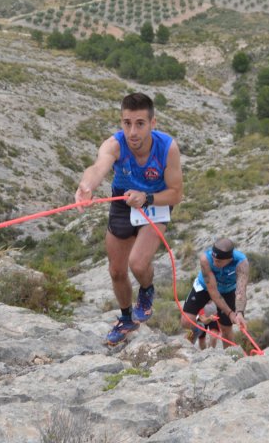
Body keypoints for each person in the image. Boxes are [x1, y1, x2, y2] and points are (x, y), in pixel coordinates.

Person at [75, 92, 183, 346]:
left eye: (140, 124)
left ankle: (146, 289)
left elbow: (176, 194)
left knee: (138, 264)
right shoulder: (114, 145)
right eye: (127, 123)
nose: (132, 132)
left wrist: (147, 198)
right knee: (116, 271)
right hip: (123, 202)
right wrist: (86, 186)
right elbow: (98, 168)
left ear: (152, 123)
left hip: (155, 202)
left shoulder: (167, 148)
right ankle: (126, 319)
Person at [180, 238, 249, 349]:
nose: (215, 263)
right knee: (186, 321)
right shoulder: (205, 259)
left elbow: (241, 291)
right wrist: (230, 313)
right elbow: (213, 292)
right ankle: (196, 331)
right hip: (204, 287)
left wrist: (239, 312)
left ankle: (230, 354)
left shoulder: (241, 263)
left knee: (226, 328)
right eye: (214, 259)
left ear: (229, 259)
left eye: (219, 261)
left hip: (228, 290)